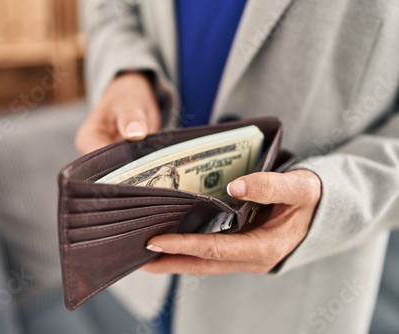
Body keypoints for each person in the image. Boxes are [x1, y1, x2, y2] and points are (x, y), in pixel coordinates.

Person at [75, 1, 399, 333]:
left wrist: (332, 196)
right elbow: (108, 9)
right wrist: (127, 70)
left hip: (291, 297)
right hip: (142, 274)